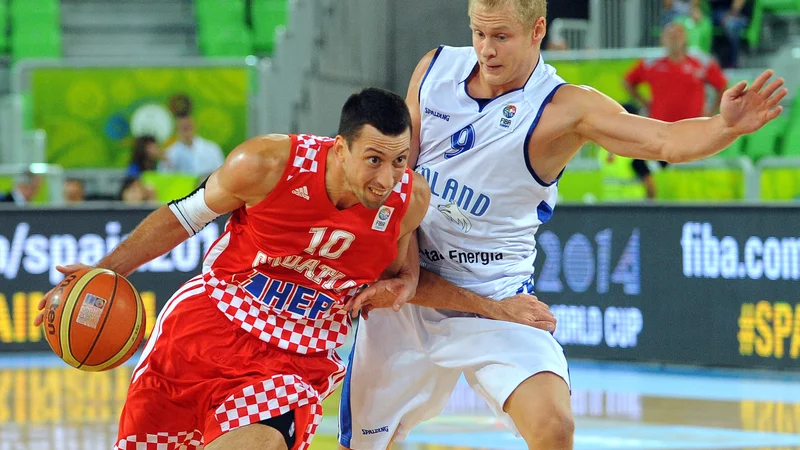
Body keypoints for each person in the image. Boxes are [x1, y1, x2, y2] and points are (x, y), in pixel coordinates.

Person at [339, 0, 786, 449]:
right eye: (478, 33)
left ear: (537, 30)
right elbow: (399, 187)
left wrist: (724, 127)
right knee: (369, 444)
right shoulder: (434, 69)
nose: (485, 50)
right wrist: (404, 272)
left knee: (554, 427)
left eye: (500, 37)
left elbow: (663, 140)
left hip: (499, 300)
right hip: (408, 293)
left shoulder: (565, 108)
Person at [34, 88, 431, 450]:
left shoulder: (408, 198)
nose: (386, 179)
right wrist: (103, 271)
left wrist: (406, 283)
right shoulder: (266, 164)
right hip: (207, 329)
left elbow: (399, 272)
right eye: (374, 160)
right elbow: (184, 218)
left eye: (398, 161)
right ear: (341, 148)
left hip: (294, 361)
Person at [624, 21, 728, 199]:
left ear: (685, 38)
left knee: (691, 175)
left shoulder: (701, 63)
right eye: (669, 35)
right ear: (662, 40)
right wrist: (645, 102)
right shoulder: (651, 64)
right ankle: (656, 204)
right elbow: (628, 82)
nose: (674, 39)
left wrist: (710, 112)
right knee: (652, 171)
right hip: (661, 132)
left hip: (693, 132)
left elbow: (721, 85)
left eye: (677, 35)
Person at [162, 95, 226, 177]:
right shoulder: (170, 153)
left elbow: (222, 175)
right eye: (183, 129)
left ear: (194, 126)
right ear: (176, 130)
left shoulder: (212, 149)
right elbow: (164, 178)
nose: (187, 132)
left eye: (189, 127)